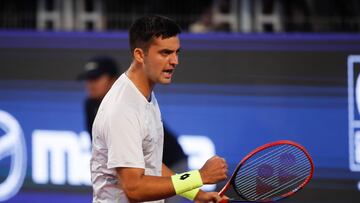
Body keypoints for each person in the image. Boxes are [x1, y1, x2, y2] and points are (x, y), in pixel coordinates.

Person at [90, 15, 228, 203]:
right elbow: (134, 189)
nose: (174, 61)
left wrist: (197, 194)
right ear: (140, 55)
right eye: (165, 53)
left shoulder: (143, 94)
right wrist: (199, 177)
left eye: (176, 52)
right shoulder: (123, 110)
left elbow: (150, 163)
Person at [77, 56, 121, 140]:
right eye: (88, 79)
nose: (90, 85)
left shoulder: (127, 105)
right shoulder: (90, 104)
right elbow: (95, 143)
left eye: (95, 79)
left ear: (113, 80)